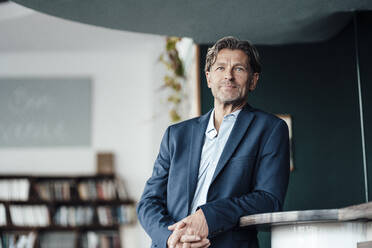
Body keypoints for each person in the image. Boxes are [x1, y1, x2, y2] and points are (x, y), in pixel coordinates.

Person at [137, 36, 290, 248]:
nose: (228, 76)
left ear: (253, 80)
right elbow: (148, 202)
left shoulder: (271, 129)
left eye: (238, 69)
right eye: (220, 68)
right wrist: (170, 238)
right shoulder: (176, 135)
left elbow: (269, 200)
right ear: (208, 78)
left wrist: (208, 217)